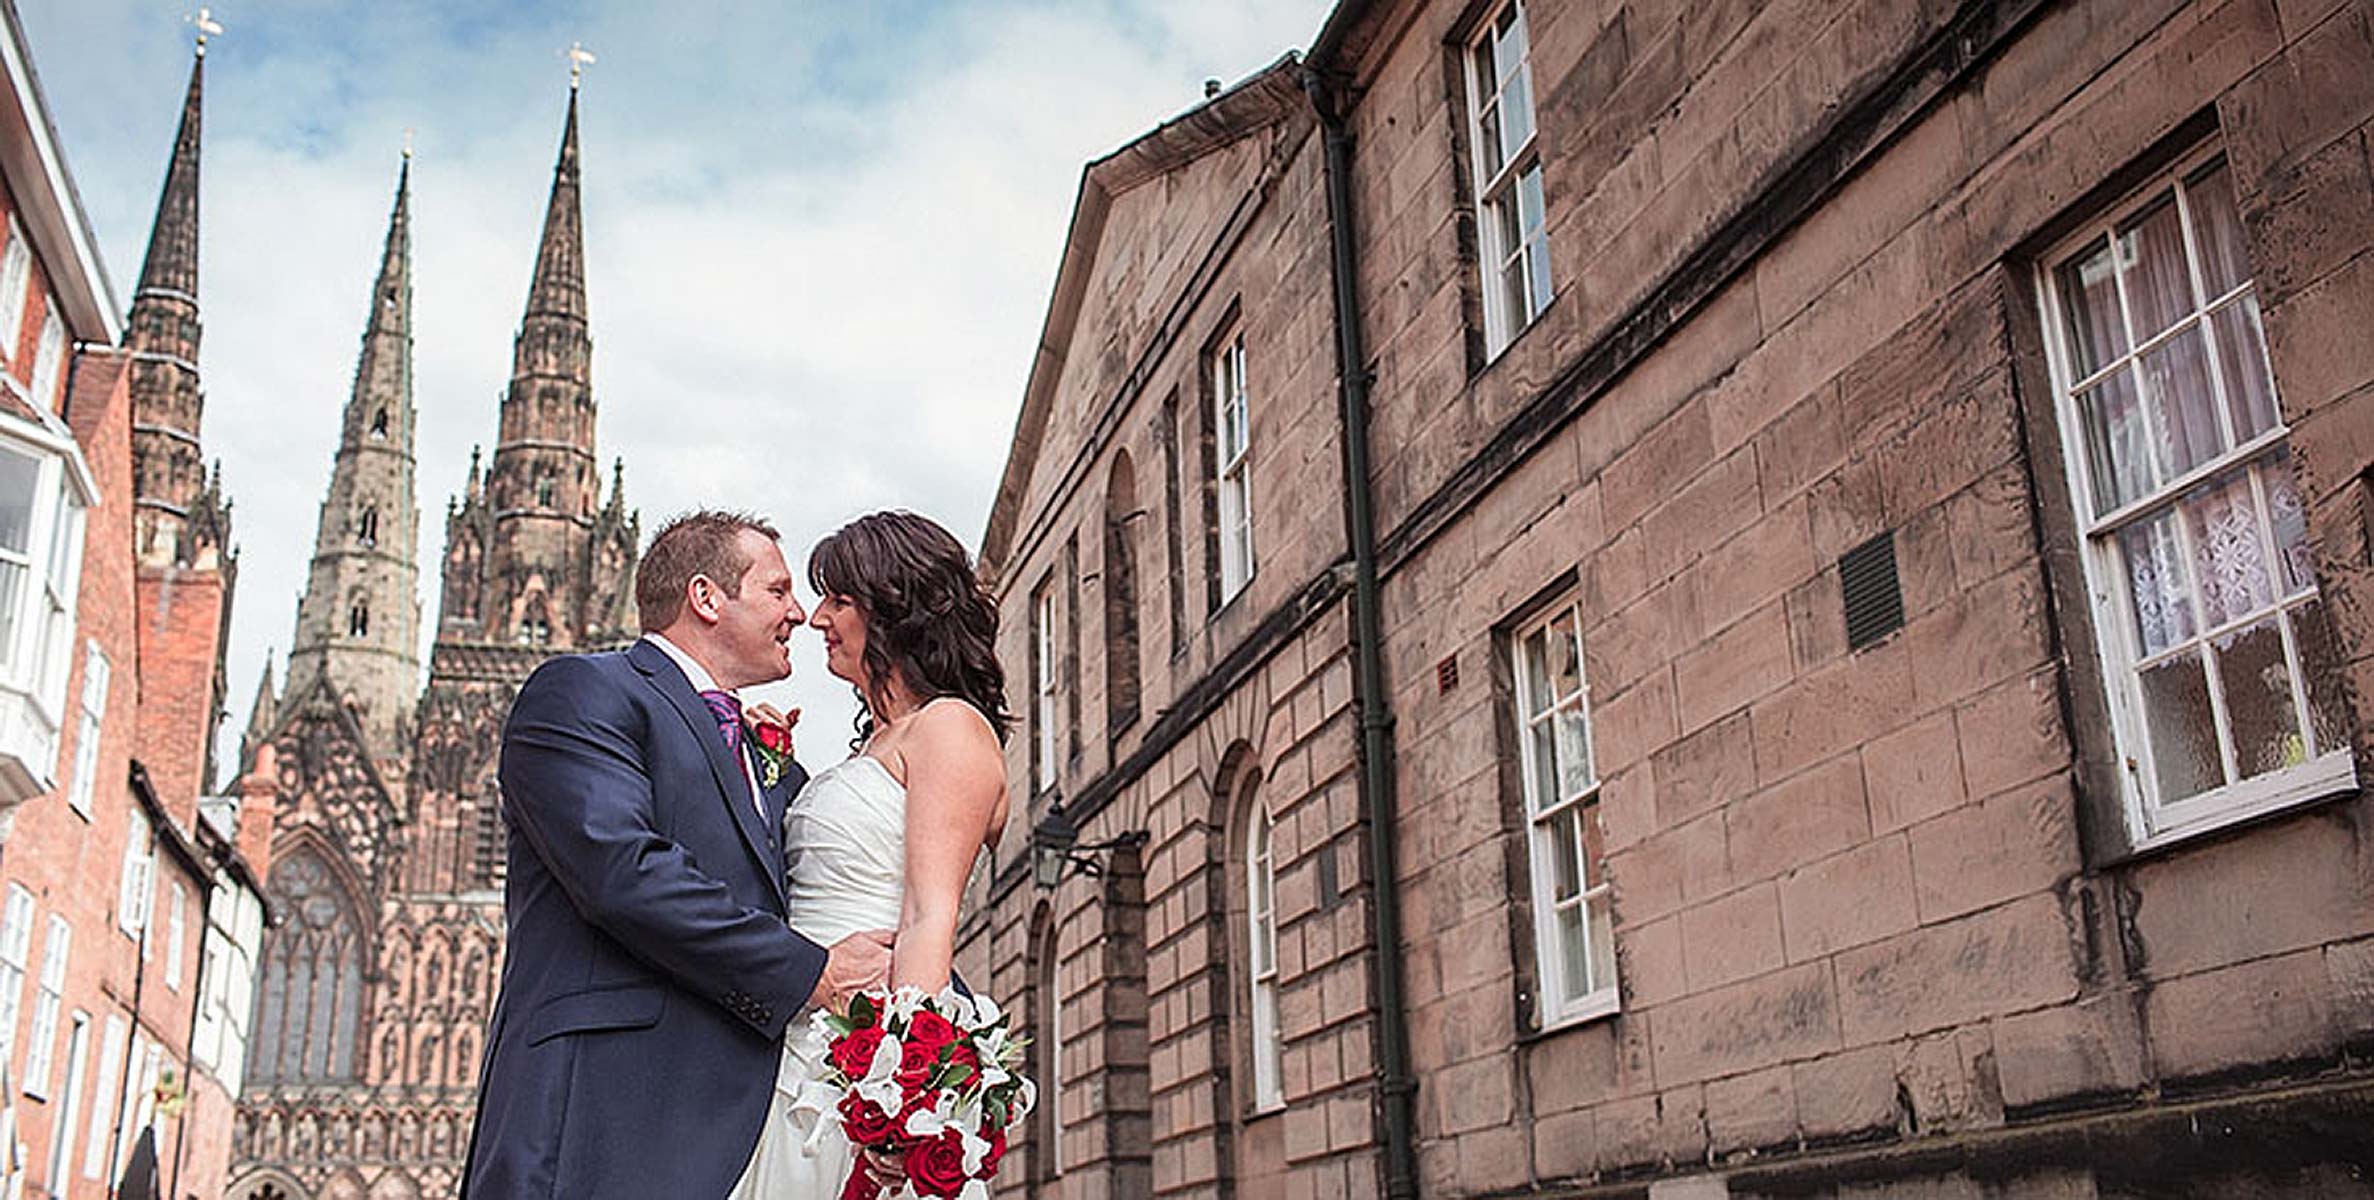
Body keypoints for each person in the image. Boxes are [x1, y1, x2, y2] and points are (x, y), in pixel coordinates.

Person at [461, 511, 897, 1198]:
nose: (801, 613)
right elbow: (622, 872)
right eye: (779, 590)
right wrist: (812, 973)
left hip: (740, 1127)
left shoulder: (762, 753)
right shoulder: (583, 692)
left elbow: (830, 880)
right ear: (706, 597)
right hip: (601, 1114)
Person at [729, 510, 1012, 1198]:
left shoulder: (950, 727)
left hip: (856, 1057)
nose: (815, 617)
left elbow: (925, 914)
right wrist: (765, 768)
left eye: (837, 598)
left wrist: (902, 1102)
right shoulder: (874, 745)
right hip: (792, 1043)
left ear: (895, 607)